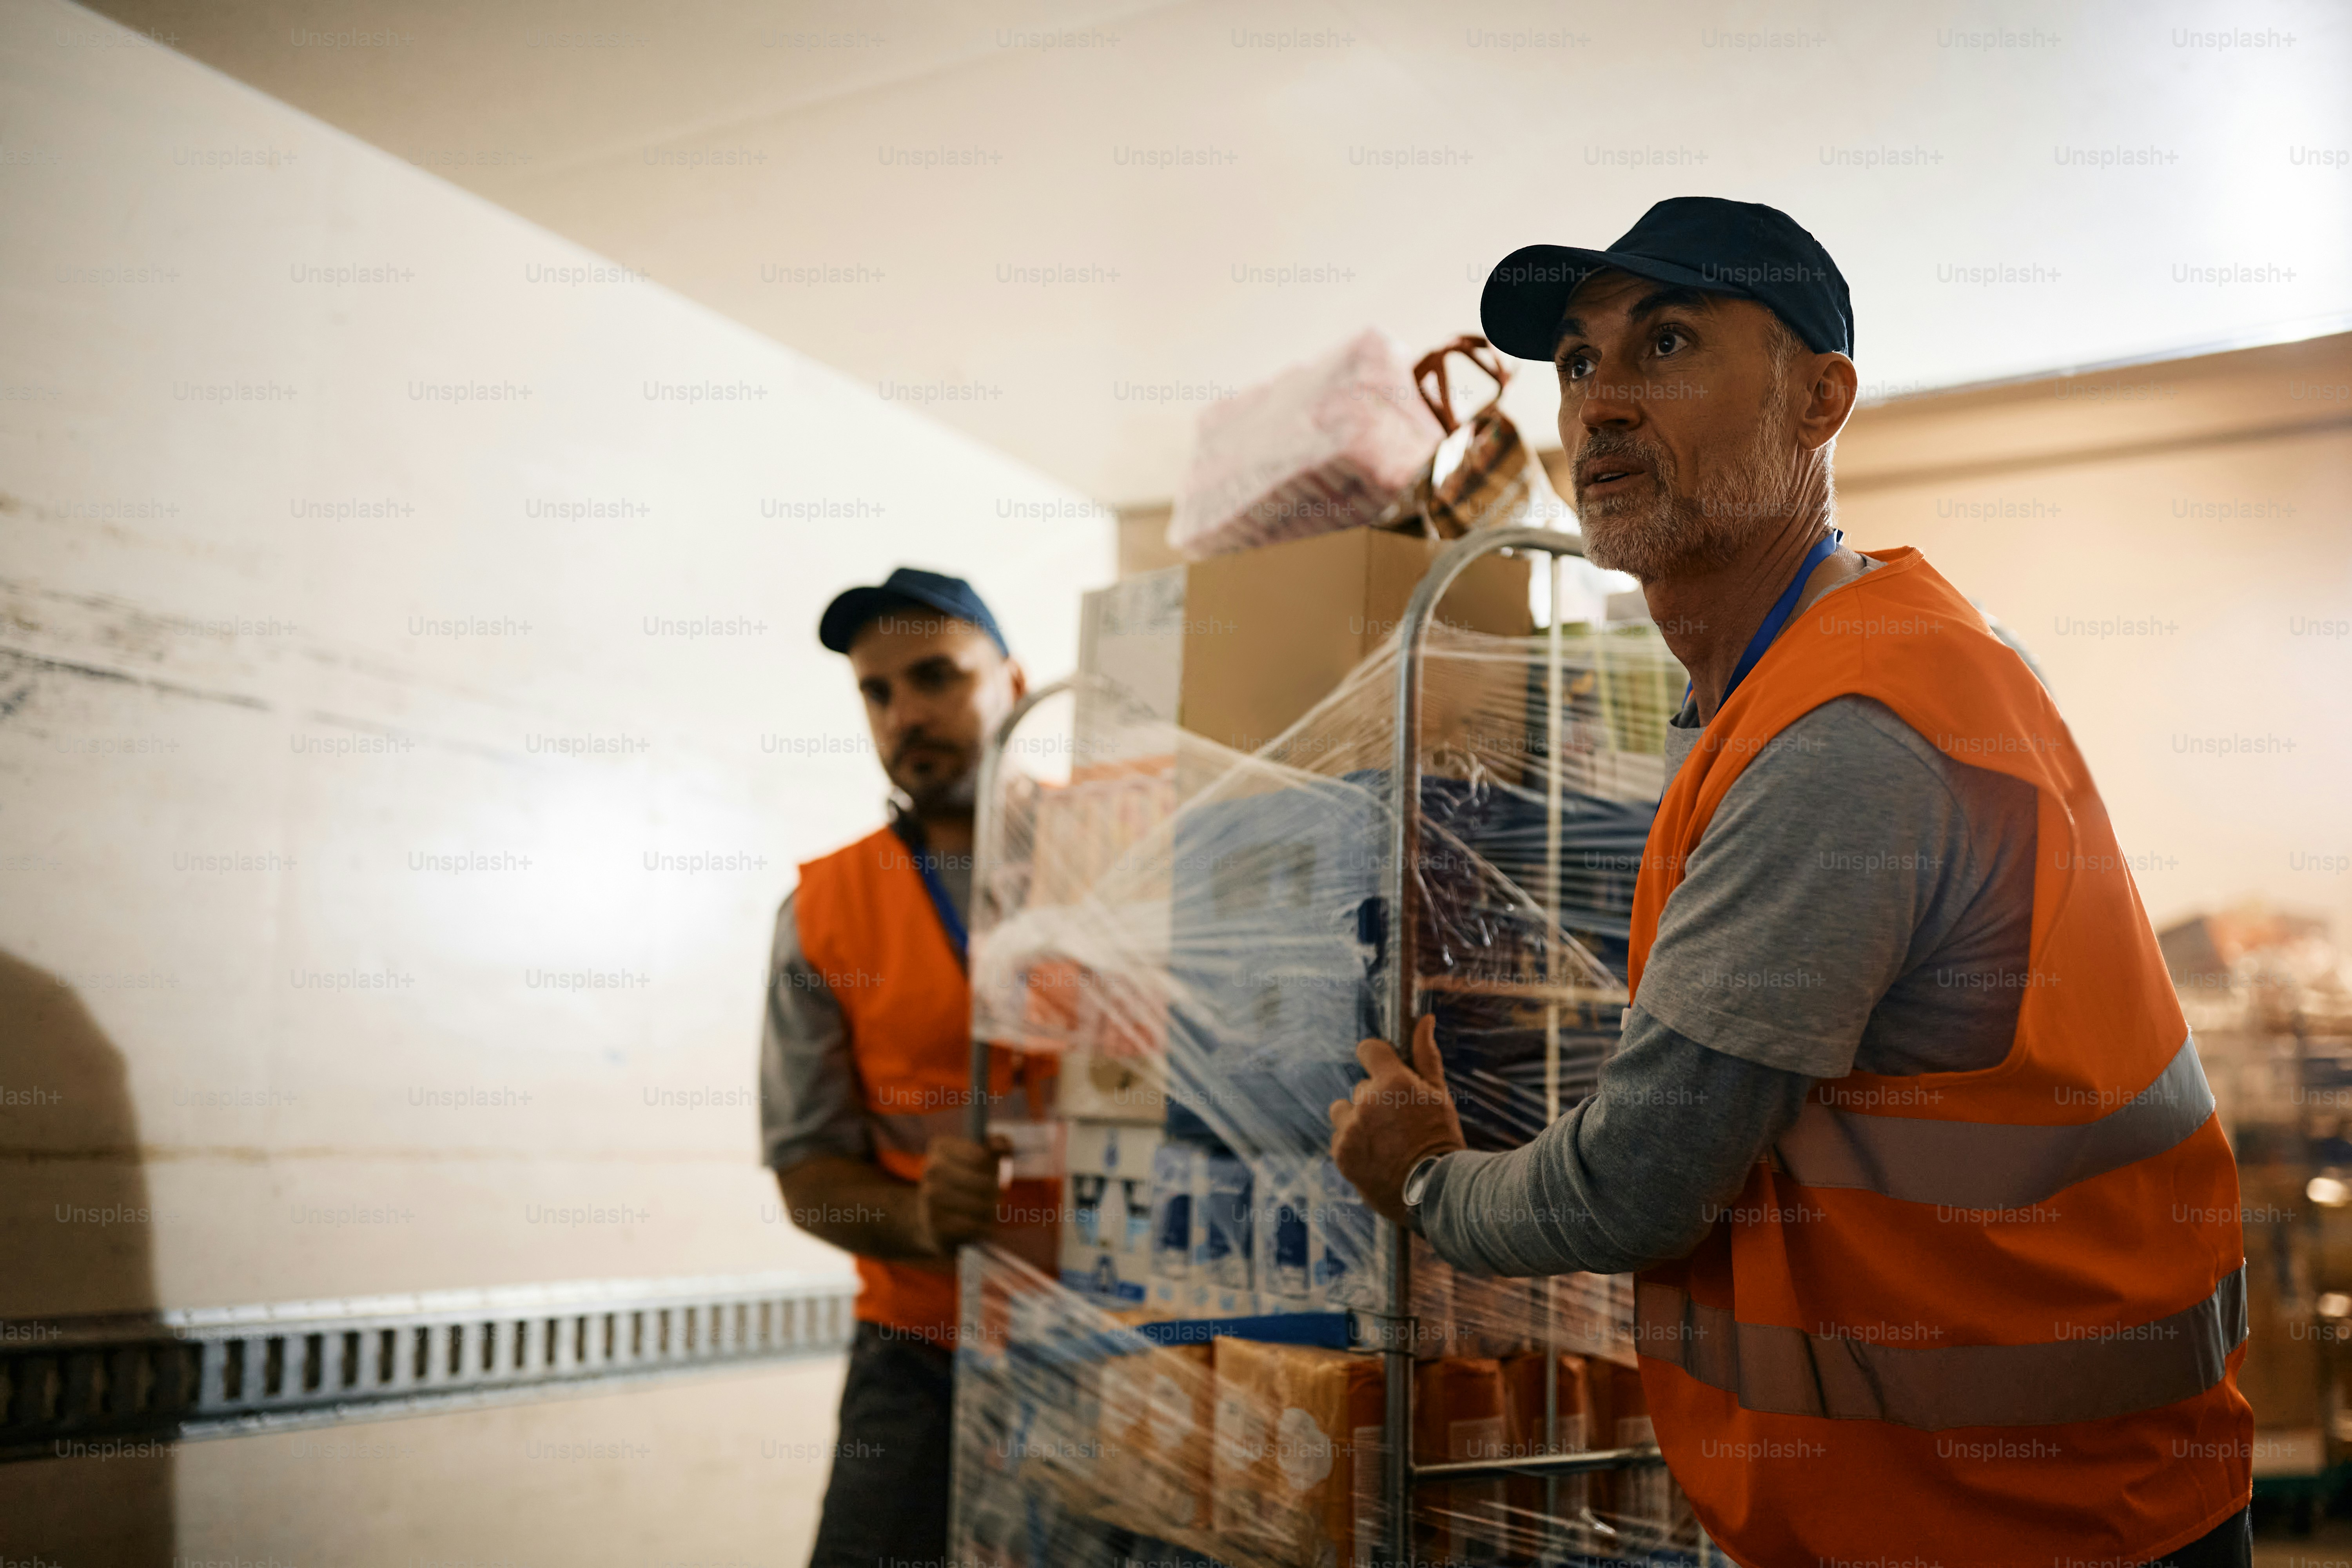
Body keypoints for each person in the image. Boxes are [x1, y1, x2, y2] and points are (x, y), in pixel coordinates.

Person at [1327, 198, 2252, 1566]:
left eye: (1670, 342)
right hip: (2024, 1504)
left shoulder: (1848, 727)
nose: (1601, 408)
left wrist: (1423, 1178)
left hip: (2019, 1524)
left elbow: (1637, 1190)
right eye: (1579, 365)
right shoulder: (1835, 672)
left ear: (1823, 401)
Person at [760, 567, 1057, 1568]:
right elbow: (809, 1170)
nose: (905, 714)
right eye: (877, 692)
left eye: (936, 675)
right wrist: (920, 1221)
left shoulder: (1126, 846)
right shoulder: (824, 909)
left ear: (1013, 681)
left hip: (1140, 1332)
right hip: (922, 1352)